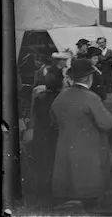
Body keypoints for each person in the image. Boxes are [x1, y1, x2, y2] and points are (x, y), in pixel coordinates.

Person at [50, 59, 112, 212]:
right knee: (91, 200)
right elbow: (107, 124)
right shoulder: (91, 98)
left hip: (65, 153)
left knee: (71, 199)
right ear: (89, 78)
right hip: (89, 155)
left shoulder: (61, 97)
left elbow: (53, 121)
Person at [25, 61, 64, 207]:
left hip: (41, 136)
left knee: (42, 166)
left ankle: (42, 195)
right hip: (53, 136)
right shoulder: (60, 98)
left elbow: (34, 116)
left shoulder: (39, 96)